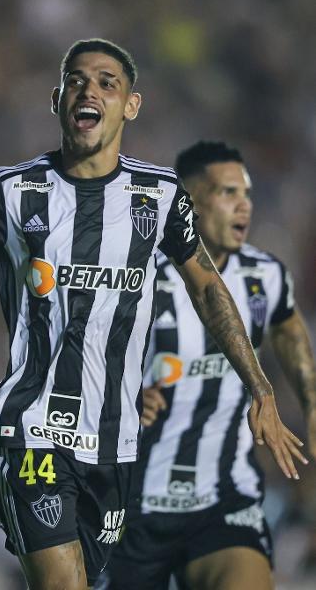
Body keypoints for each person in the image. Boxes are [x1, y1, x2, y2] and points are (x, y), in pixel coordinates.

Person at [0, 40, 307, 590]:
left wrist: (261, 388)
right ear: (58, 99)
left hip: (116, 442)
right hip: (31, 428)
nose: (90, 90)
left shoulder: (158, 197)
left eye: (108, 82)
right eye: (78, 80)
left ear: (131, 105)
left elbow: (207, 287)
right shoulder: (13, 192)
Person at [98, 141, 316, 590]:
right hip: (131, 503)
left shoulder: (264, 275)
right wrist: (122, 397)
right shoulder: (136, 277)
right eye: (229, 193)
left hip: (221, 500)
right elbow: (82, 356)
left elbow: (289, 326)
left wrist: (310, 399)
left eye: (248, 193)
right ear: (190, 204)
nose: (245, 206)